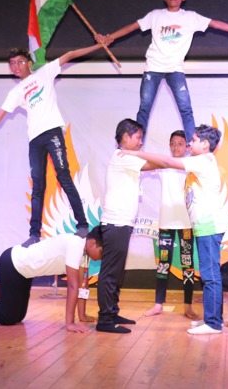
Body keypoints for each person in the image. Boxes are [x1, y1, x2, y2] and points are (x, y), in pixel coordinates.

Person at [0, 44, 103, 247]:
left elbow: (70, 54)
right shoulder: (16, 92)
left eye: (20, 61)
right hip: (35, 140)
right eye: (12, 63)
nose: (16, 66)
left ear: (29, 63)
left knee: (63, 176)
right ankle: (34, 234)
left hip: (53, 132)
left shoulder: (44, 73)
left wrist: (100, 44)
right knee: (38, 186)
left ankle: (82, 225)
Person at [95, 0, 228, 143]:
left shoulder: (190, 17)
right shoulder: (155, 15)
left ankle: (192, 143)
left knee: (185, 108)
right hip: (153, 67)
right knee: (144, 108)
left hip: (175, 69)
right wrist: (109, 37)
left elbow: (216, 24)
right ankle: (137, 143)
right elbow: (132, 27)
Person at [122, 124, 226, 335]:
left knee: (210, 275)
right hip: (202, 227)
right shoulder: (201, 161)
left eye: (193, 141)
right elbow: (164, 163)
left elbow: (168, 161)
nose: (189, 144)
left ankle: (214, 323)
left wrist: (135, 152)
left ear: (205, 144)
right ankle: (213, 319)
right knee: (208, 274)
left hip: (209, 226)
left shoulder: (203, 160)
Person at [0, 226, 103, 331]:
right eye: (102, 252)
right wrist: (70, 324)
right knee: (6, 317)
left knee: (17, 316)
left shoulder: (84, 254)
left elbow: (83, 285)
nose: (101, 258)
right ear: (92, 243)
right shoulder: (76, 245)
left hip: (24, 273)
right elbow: (73, 286)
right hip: (13, 263)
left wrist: (82, 315)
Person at [96, 118, 161, 334]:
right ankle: (105, 320)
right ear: (125, 137)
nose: (141, 142)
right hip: (116, 223)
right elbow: (156, 164)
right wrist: (174, 160)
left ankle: (112, 312)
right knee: (110, 273)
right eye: (138, 137)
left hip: (122, 224)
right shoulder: (123, 156)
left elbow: (151, 164)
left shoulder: (127, 158)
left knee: (116, 272)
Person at [144, 130, 199, 320]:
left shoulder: (191, 166)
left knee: (187, 265)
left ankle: (188, 306)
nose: (176, 147)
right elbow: (144, 165)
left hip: (186, 223)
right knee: (163, 264)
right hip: (166, 222)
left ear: (187, 147)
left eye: (180, 144)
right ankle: (158, 304)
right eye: (173, 143)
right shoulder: (164, 165)